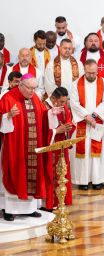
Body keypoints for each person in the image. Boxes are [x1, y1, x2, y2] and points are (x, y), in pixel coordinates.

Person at [0, 74, 59, 221]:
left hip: (34, 147)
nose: (32, 91)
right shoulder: (8, 98)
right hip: (15, 146)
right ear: (20, 85)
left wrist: (51, 113)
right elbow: (1, 119)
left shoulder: (35, 98)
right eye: (29, 88)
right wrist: (8, 115)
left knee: (33, 173)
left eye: (34, 88)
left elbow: (44, 117)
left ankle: (30, 209)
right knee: (15, 172)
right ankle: (9, 209)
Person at [70, 59, 104, 190]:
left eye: (94, 73)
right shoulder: (76, 84)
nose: (92, 76)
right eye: (89, 73)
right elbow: (74, 103)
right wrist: (86, 116)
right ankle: (82, 180)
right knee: (83, 151)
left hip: (97, 122)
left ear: (97, 71)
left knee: (97, 152)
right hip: (82, 122)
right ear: (84, 70)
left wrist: (93, 116)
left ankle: (97, 180)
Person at [43, 87, 75, 210]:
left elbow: (69, 121)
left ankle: (61, 200)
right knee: (50, 173)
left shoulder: (64, 108)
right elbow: (43, 130)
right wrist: (57, 131)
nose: (64, 105)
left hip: (61, 147)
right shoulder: (44, 108)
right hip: (50, 148)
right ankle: (49, 203)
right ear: (53, 99)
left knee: (62, 172)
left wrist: (69, 127)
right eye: (62, 102)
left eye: (66, 101)